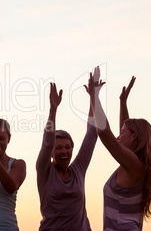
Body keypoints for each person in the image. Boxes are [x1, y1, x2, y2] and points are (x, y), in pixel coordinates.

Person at [86, 69, 151, 230]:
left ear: (134, 137)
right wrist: (123, 103)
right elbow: (126, 130)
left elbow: (104, 133)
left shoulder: (134, 165)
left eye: (122, 133)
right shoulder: (134, 164)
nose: (118, 137)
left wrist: (94, 96)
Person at [36, 74, 101, 230]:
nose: (64, 151)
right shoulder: (45, 171)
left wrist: (94, 97)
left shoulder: (78, 169)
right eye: (58, 148)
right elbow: (47, 143)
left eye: (67, 147)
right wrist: (53, 110)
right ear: (51, 153)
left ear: (72, 149)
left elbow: (92, 132)